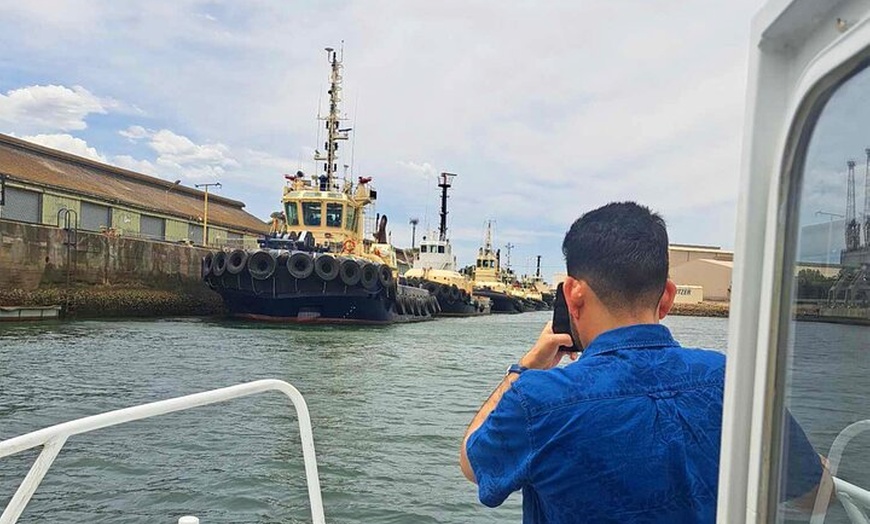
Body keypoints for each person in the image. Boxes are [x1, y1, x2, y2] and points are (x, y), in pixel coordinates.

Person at [459, 202, 827, 523]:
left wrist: (524, 368)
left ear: (572, 295)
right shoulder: (735, 381)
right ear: (666, 297)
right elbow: (816, 493)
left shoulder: (537, 400)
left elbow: (473, 463)